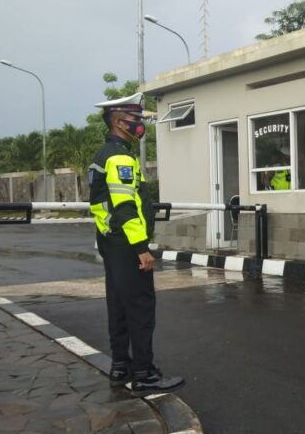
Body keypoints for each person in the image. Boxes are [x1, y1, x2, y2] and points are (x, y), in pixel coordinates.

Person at [89, 93, 185, 398]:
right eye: (136, 119)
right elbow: (125, 207)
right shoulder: (119, 157)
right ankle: (144, 374)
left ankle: (121, 366)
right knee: (141, 308)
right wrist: (142, 248)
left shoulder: (103, 154)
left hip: (111, 243)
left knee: (118, 305)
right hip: (127, 245)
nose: (140, 125)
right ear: (119, 120)